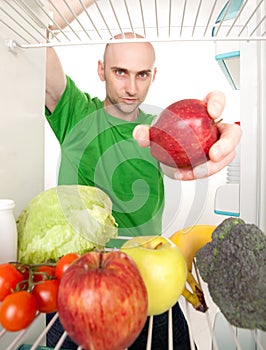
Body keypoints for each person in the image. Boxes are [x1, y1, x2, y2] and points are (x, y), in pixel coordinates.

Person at [45, 3, 242, 350]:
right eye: (120, 72)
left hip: (146, 279)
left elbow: (181, 161)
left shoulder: (161, 132)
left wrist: (211, 133)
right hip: (76, 281)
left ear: (154, 75)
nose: (132, 87)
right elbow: (34, 33)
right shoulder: (74, 113)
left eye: (142, 75)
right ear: (101, 70)